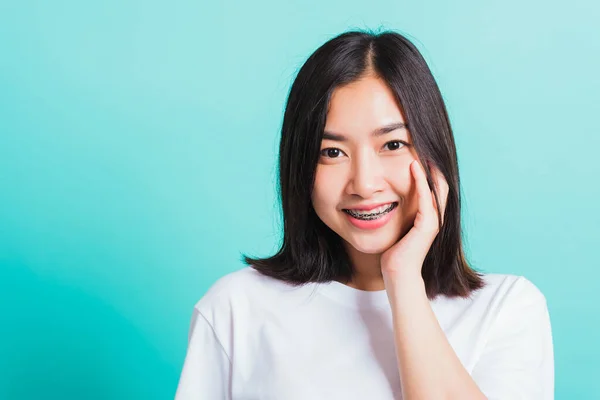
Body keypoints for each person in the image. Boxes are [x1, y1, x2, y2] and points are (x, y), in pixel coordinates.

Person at [174, 30, 554, 399]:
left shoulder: (508, 310)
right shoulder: (235, 309)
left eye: (392, 144)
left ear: (434, 158)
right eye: (332, 152)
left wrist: (402, 278)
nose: (364, 183)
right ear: (300, 166)